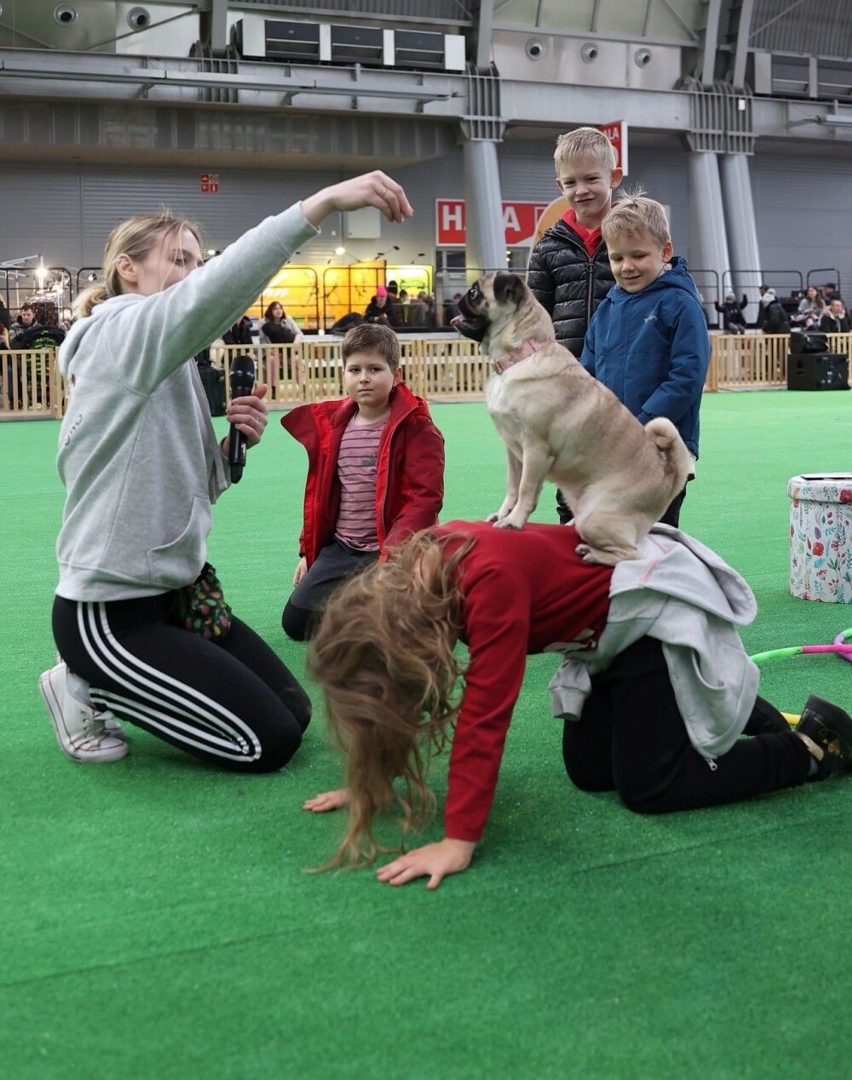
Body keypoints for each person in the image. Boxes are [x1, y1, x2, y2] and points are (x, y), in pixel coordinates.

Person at [39, 171, 413, 768]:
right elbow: (213, 293)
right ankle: (86, 681)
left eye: (196, 260)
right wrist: (316, 207)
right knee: (263, 742)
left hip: (174, 597)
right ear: (128, 269)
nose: (191, 273)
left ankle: (128, 675)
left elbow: (191, 488)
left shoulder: (169, 360)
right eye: (177, 259)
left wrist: (226, 454)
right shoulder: (118, 331)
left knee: (294, 713)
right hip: (109, 615)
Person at [304, 520, 852, 889]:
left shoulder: (484, 584)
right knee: (590, 772)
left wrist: (459, 838)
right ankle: (739, 707)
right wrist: (366, 779)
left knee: (651, 788)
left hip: (650, 615)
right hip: (601, 637)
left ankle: (810, 746)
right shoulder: (415, 576)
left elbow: (485, 717)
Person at [280, 323, 444, 641]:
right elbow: (320, 497)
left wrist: (393, 557)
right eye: (354, 369)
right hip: (343, 548)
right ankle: (363, 605)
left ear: (395, 375)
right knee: (296, 623)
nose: (364, 377)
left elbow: (425, 499)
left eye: (374, 368)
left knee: (403, 630)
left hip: (393, 549)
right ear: (344, 374)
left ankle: (399, 598)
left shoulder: (416, 427)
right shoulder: (334, 428)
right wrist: (307, 553)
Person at [581, 193, 710, 528]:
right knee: (611, 535)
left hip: (663, 448)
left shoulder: (680, 304)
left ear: (665, 251)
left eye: (638, 255)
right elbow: (587, 376)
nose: (627, 266)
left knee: (657, 537)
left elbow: (687, 376)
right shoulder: (607, 307)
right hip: (611, 448)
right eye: (617, 257)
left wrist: (642, 426)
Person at [526, 126, 623, 522]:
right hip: (565, 386)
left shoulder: (635, 240)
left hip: (620, 380)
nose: (581, 189)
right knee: (571, 485)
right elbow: (532, 321)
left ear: (614, 178)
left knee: (621, 478)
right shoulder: (547, 248)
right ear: (559, 184)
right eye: (570, 182)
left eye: (591, 179)